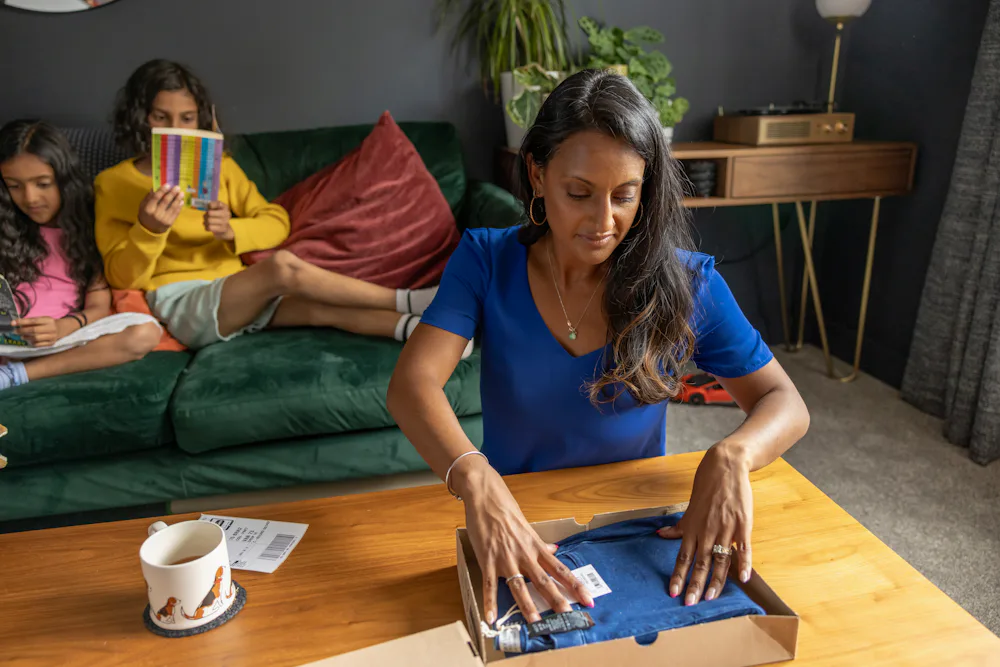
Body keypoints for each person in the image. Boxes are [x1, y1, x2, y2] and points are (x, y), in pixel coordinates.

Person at [387, 70, 810, 626]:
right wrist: (475, 477)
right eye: (579, 193)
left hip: (636, 527)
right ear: (538, 175)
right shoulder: (485, 259)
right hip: (515, 517)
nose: (604, 221)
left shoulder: (688, 282)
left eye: (624, 196)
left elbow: (786, 401)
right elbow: (411, 386)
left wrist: (732, 455)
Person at [95, 59, 454, 352]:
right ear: (140, 118)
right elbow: (120, 277)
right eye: (161, 117)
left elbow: (277, 221)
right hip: (182, 301)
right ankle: (407, 301)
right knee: (283, 268)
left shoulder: (221, 169)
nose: (177, 129)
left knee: (323, 311)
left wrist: (232, 229)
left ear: (201, 119)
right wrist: (149, 230)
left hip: (237, 289)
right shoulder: (113, 184)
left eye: (187, 118)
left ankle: (431, 333)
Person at [0, 120, 161, 391]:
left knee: (144, 331)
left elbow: (98, 305)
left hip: (64, 341)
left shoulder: (90, 223)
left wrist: (63, 328)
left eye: (42, 184)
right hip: (7, 340)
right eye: (14, 186)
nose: (30, 198)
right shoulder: (6, 224)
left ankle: (16, 375)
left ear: (63, 179)